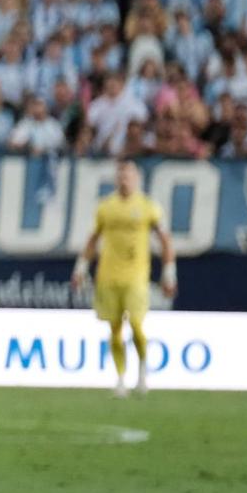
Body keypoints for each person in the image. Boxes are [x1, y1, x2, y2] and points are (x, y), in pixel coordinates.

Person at [71, 159, 177, 397]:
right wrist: (80, 269)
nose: (124, 180)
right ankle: (120, 378)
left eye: (128, 175)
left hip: (136, 276)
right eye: (121, 176)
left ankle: (142, 372)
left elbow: (165, 240)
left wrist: (169, 273)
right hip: (108, 276)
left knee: (137, 324)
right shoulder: (106, 207)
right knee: (115, 329)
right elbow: (92, 240)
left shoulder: (148, 207)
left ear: (137, 178)